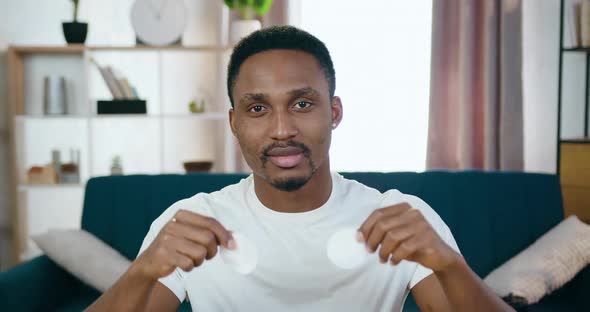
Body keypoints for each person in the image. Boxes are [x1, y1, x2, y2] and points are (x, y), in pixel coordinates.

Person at [86, 26, 513, 312]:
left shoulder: (399, 216)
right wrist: (142, 270)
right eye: (258, 108)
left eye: (302, 103)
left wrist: (451, 266)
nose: (282, 129)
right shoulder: (195, 220)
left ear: (335, 112)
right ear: (234, 123)